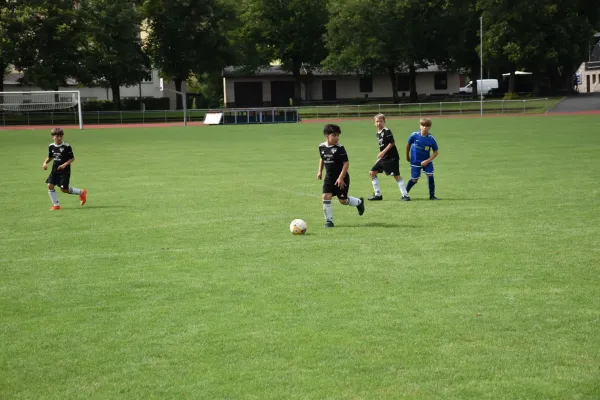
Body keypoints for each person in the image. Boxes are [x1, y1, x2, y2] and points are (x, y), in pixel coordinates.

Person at [318, 124, 365, 227]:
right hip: (329, 178)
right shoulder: (321, 146)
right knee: (326, 196)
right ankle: (329, 221)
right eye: (334, 135)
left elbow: (346, 163)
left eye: (338, 135)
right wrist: (320, 171)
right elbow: (322, 158)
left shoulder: (340, 148)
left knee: (343, 201)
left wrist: (340, 178)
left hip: (342, 178)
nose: (337, 137)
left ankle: (359, 202)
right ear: (327, 136)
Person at [368, 113, 410, 201]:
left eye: (381, 121)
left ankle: (405, 195)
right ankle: (378, 194)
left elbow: (392, 143)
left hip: (392, 158)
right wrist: (379, 158)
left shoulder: (386, 131)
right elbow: (382, 146)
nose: (379, 123)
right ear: (374, 123)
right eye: (377, 121)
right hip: (384, 158)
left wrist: (382, 153)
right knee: (372, 173)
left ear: (384, 122)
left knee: (396, 176)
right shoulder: (377, 133)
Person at [42, 127, 87, 210]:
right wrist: (45, 163)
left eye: (60, 136)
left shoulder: (66, 146)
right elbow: (50, 157)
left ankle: (81, 192)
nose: (59, 138)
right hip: (55, 170)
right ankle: (56, 205)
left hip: (64, 171)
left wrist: (64, 165)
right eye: (57, 136)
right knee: (50, 185)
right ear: (53, 137)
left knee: (64, 189)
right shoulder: (51, 146)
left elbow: (72, 158)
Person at [405, 117, 439, 200]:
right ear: (420, 126)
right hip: (415, 161)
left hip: (427, 161)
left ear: (429, 127)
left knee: (430, 175)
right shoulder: (414, 135)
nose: (424, 127)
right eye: (423, 125)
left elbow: (436, 152)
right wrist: (407, 156)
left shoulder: (431, 139)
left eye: (427, 126)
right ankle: (404, 193)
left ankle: (432, 196)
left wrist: (427, 161)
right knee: (414, 180)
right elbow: (408, 145)